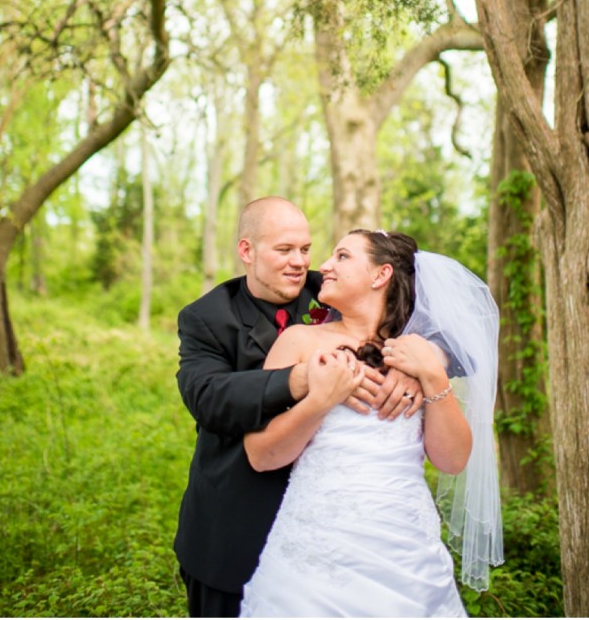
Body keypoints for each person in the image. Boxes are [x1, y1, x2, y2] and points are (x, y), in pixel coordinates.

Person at [174, 199, 422, 618]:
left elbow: (440, 326)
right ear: (247, 251)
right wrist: (302, 378)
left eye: (305, 249)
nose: (299, 262)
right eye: (284, 250)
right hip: (235, 521)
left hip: (334, 527)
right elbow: (208, 397)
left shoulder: (331, 286)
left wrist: (416, 367)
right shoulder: (207, 318)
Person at [240, 228, 504, 618]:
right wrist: (321, 400)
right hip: (312, 557)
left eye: (342, 256)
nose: (324, 266)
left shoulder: (420, 354)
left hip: (406, 554)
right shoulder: (298, 342)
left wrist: (432, 375)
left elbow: (452, 461)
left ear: (380, 275)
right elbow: (261, 456)